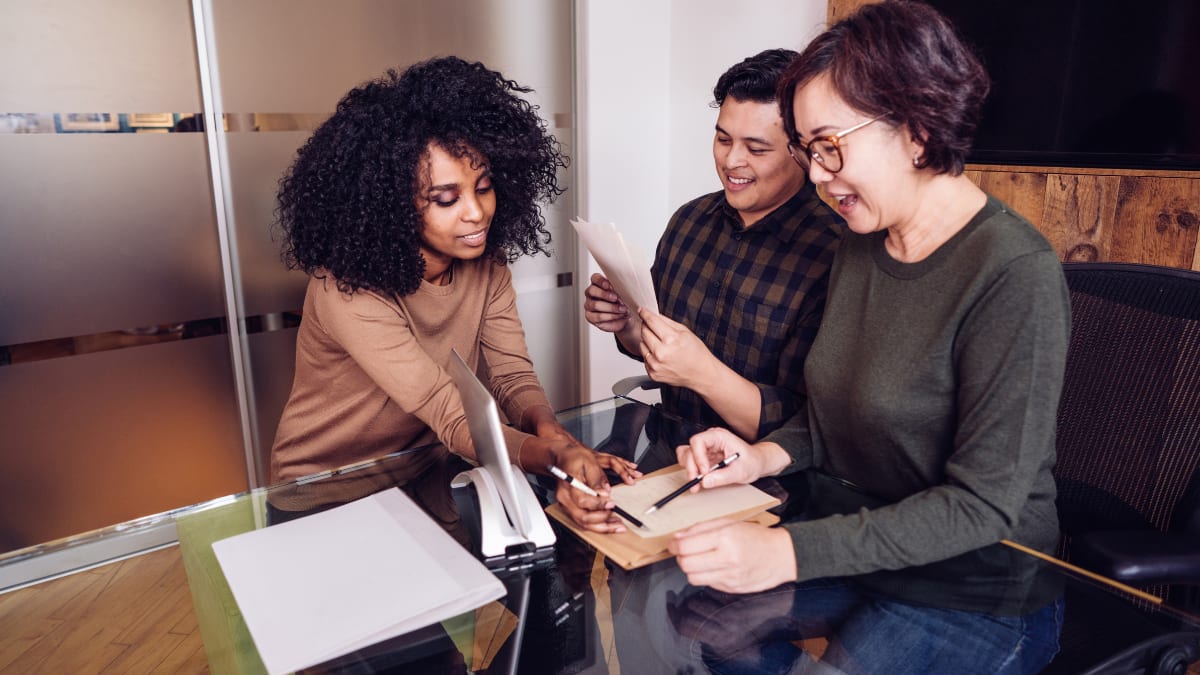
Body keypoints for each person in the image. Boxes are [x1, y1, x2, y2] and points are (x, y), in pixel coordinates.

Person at [668, 2, 1071, 673]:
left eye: (829, 146)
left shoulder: (1014, 273)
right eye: (807, 150)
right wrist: (760, 456)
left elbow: (981, 505)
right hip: (864, 550)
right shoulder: (861, 247)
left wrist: (787, 553)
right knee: (702, 619)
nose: (818, 175)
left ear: (916, 129)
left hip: (973, 586)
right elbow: (835, 416)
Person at [269, 57, 638, 530]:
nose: (476, 213)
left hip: (425, 473)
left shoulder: (486, 264)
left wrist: (558, 438)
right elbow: (448, 411)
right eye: (446, 199)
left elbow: (510, 374)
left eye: (483, 188)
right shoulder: (346, 290)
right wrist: (554, 459)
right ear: (391, 205)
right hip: (326, 492)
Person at [583, 49, 844, 444]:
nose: (732, 160)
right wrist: (628, 325)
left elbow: (809, 425)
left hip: (769, 480)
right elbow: (652, 350)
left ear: (803, 151)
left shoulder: (834, 255)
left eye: (756, 149)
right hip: (669, 449)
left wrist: (703, 373)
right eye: (723, 139)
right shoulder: (690, 222)